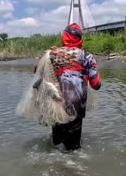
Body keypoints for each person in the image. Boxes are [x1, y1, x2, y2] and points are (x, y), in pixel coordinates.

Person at [34, 23, 101, 151]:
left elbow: (37, 72)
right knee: (73, 149)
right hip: (76, 106)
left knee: (56, 145)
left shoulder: (52, 54)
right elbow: (96, 85)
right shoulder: (87, 56)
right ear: (79, 39)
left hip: (56, 104)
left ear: (64, 37)